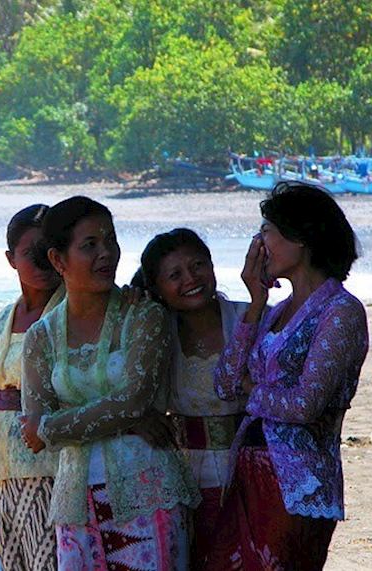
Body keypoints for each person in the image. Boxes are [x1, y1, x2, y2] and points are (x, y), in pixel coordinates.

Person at [20, 196, 200, 570]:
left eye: (111, 241)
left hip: (148, 492)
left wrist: (55, 426)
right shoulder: (40, 337)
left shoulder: (143, 315)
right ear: (58, 260)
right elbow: (31, 429)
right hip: (75, 504)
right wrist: (129, 419)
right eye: (90, 245)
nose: (107, 254)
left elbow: (131, 400)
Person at [206, 182, 369, 570]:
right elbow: (225, 383)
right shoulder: (274, 310)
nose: (259, 244)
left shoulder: (340, 311)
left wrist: (252, 390)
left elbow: (306, 404)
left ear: (301, 239)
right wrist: (255, 303)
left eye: (266, 231)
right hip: (247, 475)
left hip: (299, 486)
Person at [134, 228, 249, 570]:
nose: (191, 279)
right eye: (175, 275)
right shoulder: (156, 335)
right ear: (156, 288)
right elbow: (133, 399)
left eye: (198, 265)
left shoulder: (250, 318)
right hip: (186, 483)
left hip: (254, 475)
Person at [0, 205, 63, 570]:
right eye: (31, 253)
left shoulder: (73, 310)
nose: (44, 261)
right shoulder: (5, 318)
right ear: (10, 259)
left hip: (53, 468)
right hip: (5, 473)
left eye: (51, 249)